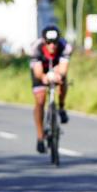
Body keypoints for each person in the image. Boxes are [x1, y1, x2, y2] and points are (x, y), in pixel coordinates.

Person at [30, 25, 72, 153]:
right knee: (40, 100)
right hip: (40, 70)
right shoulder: (35, 48)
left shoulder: (65, 47)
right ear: (44, 41)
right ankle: (40, 137)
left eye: (55, 42)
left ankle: (61, 107)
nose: (52, 45)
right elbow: (38, 72)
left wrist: (58, 75)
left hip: (56, 67)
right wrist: (44, 77)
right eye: (49, 42)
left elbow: (64, 68)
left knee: (63, 81)